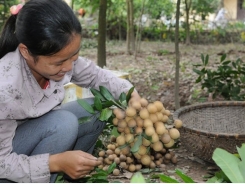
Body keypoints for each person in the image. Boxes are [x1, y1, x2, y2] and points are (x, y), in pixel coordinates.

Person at [0, 0, 139, 182]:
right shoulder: (5, 87)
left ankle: (73, 175)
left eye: (74, 56)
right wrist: (54, 162)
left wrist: (132, 97)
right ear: (26, 52)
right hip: (7, 162)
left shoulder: (63, 59)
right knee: (63, 124)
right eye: (59, 62)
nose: (68, 67)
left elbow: (97, 76)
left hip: (35, 136)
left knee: (96, 109)